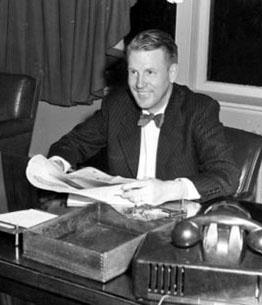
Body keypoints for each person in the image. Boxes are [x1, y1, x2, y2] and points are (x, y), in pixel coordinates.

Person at [48, 29, 240, 207]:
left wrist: (170, 189)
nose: (139, 84)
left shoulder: (198, 109)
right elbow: (74, 143)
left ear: (172, 73)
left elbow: (226, 176)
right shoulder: (117, 105)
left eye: (149, 72)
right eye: (133, 72)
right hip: (123, 215)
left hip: (176, 224)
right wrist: (56, 164)